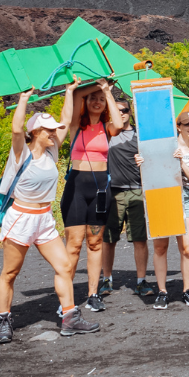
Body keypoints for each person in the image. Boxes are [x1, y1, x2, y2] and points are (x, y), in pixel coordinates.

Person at [0, 80, 99, 343]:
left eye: (54, 131)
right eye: (49, 130)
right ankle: (4, 320)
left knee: (64, 266)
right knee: (10, 273)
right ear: (36, 132)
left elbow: (66, 118)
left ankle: (69, 318)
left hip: (44, 219)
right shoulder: (20, 153)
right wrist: (23, 99)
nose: (54, 133)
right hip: (21, 217)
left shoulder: (52, 151)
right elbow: (16, 128)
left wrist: (69, 91)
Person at [64, 78, 125, 313]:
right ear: (86, 101)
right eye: (94, 98)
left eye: (101, 100)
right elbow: (77, 93)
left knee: (95, 242)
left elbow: (118, 124)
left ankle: (92, 294)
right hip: (76, 188)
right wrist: (97, 85)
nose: (97, 102)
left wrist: (107, 91)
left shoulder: (106, 128)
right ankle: (66, 296)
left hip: (101, 189)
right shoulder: (74, 125)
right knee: (73, 246)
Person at [138, 111, 189, 308]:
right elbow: (150, 166)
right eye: (187, 125)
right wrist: (141, 162)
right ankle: (162, 292)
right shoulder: (163, 146)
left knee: (187, 248)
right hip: (163, 197)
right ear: (178, 127)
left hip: (185, 198)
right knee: (160, 247)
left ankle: (186, 291)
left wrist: (181, 163)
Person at [101, 98, 155, 298]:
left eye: (124, 110)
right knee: (108, 240)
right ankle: (107, 279)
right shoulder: (106, 133)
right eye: (116, 110)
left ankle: (141, 281)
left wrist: (145, 161)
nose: (120, 113)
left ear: (130, 112)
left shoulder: (140, 136)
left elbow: (153, 160)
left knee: (139, 239)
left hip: (137, 191)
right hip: (112, 191)